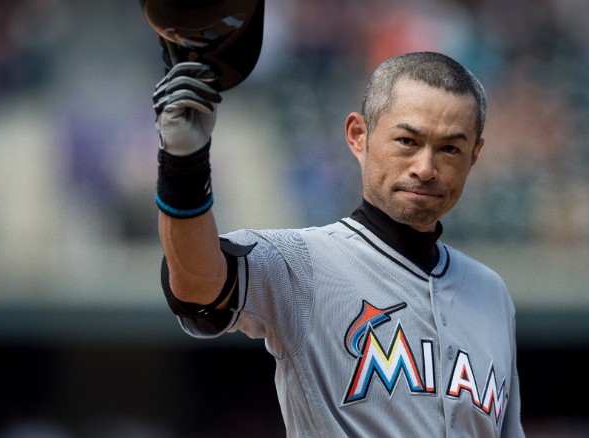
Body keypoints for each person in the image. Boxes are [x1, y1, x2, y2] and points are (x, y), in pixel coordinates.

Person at [153, 51, 524, 437]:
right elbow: (197, 287)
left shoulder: (492, 294)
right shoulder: (303, 263)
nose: (425, 168)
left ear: (474, 155)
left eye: (450, 148)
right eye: (407, 140)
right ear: (358, 136)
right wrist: (183, 168)